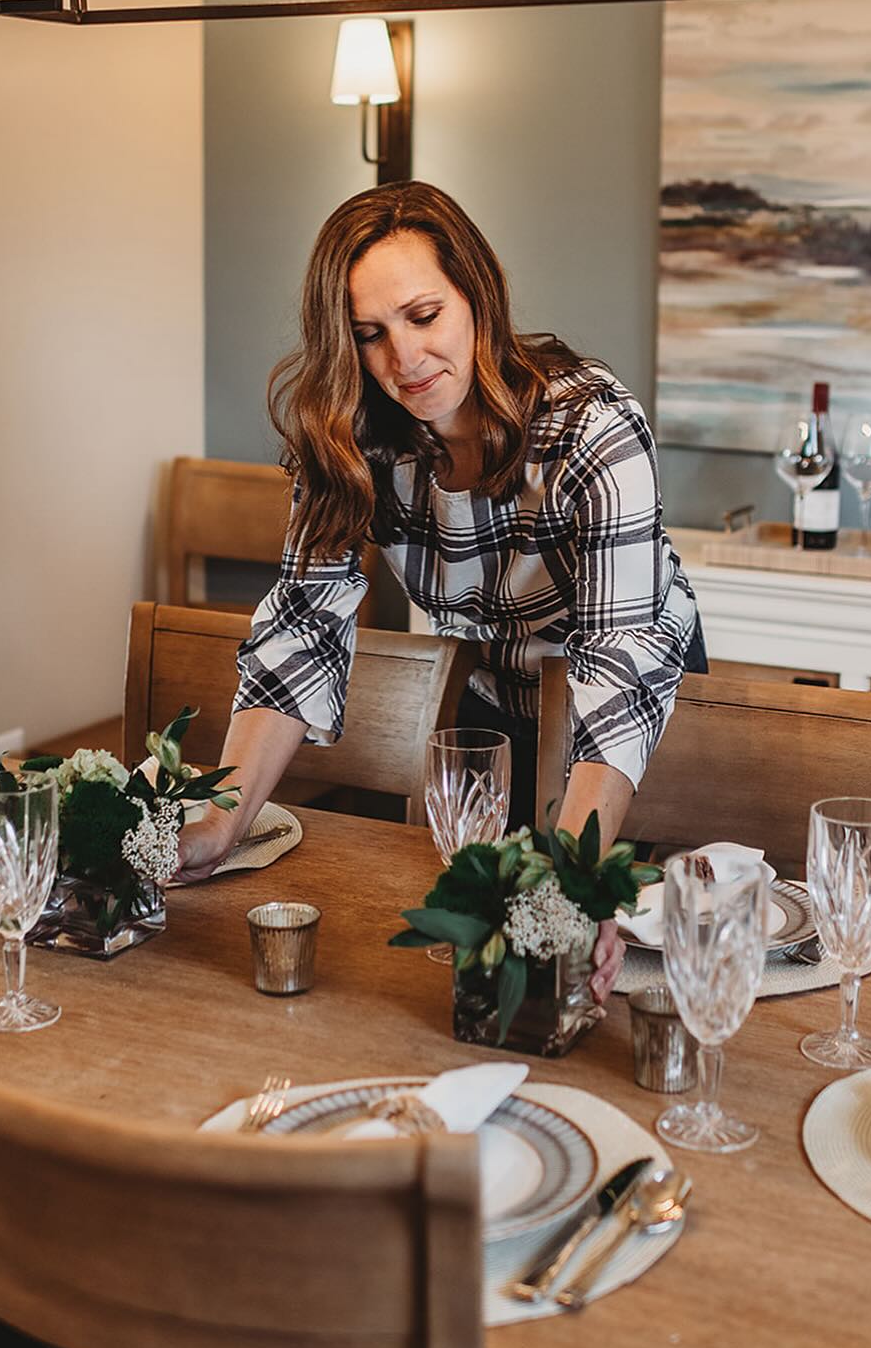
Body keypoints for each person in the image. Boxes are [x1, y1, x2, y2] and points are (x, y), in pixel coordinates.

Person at [176, 182, 704, 999]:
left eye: (423, 317)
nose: (404, 361)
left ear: (477, 296)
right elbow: (301, 631)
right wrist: (219, 823)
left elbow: (618, 665)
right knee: (492, 967)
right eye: (370, 335)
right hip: (496, 688)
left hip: (633, 714)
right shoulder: (355, 438)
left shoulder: (594, 427)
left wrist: (576, 880)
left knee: (628, 963)